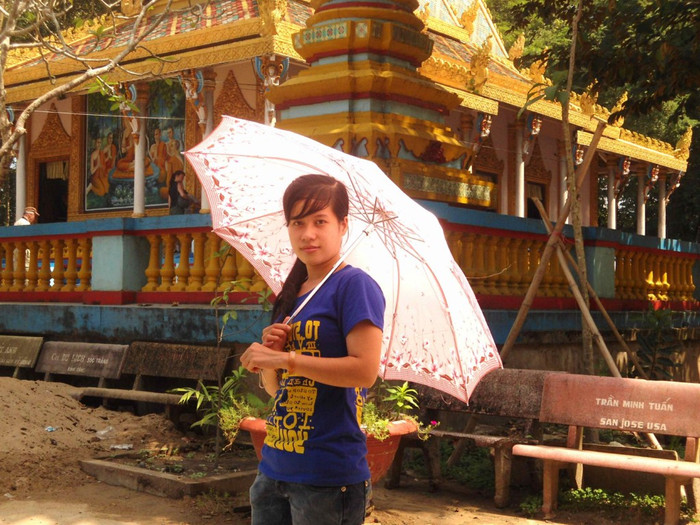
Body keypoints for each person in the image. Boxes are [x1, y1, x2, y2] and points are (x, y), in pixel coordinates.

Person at [240, 174, 386, 525]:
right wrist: (272, 356)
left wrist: (285, 358)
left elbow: (365, 371)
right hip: (274, 468)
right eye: (298, 223)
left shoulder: (354, 286)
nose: (308, 234)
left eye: (320, 221)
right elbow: (277, 389)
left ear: (343, 225)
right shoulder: (293, 293)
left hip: (327, 477)